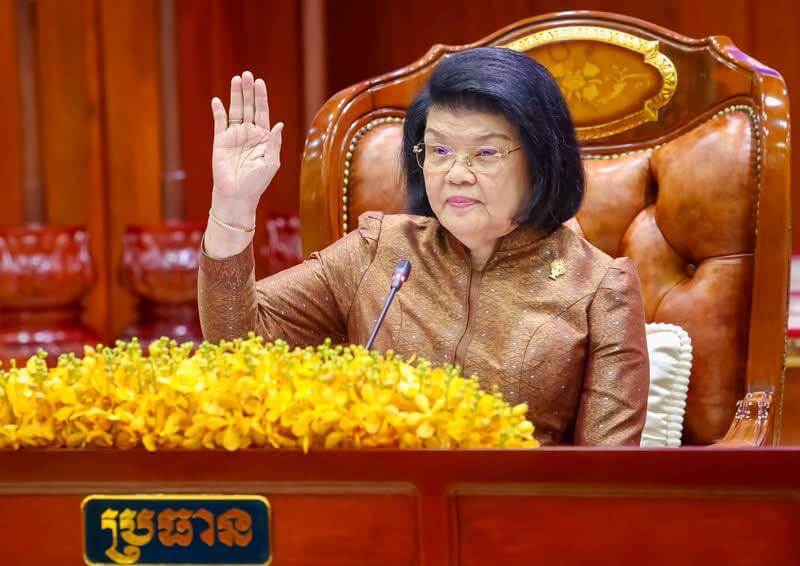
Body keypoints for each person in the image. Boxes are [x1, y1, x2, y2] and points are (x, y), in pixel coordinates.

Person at [198, 47, 649, 446]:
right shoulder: (379, 250)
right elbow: (238, 343)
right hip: (383, 504)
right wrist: (233, 205)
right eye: (439, 151)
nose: (456, 174)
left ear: (540, 161)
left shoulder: (599, 289)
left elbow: (604, 482)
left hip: (516, 513)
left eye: (485, 153)